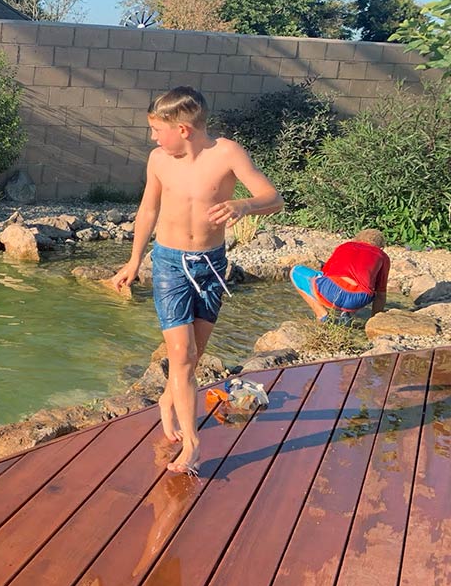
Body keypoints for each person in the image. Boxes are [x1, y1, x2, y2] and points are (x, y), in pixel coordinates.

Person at [111, 87, 282, 475]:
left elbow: (274, 198)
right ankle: (192, 444)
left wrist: (244, 204)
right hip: (169, 265)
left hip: (210, 265)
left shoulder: (227, 154)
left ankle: (167, 399)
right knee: (183, 355)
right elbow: (148, 209)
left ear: (183, 129)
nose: (153, 138)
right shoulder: (158, 160)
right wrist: (134, 260)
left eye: (158, 130)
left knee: (193, 356)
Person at [290, 229, 390, 324]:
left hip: (331, 293)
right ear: (381, 247)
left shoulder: (345, 246)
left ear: (356, 240)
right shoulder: (383, 256)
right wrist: (374, 321)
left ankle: (321, 315)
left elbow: (326, 273)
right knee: (370, 287)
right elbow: (381, 294)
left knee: (296, 271)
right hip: (359, 300)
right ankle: (346, 314)